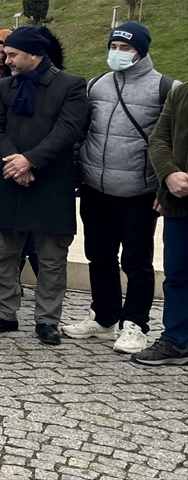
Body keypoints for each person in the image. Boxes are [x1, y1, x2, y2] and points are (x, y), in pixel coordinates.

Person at [65, 23, 180, 353]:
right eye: (114, 44)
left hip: (139, 191)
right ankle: (104, 317)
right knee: (98, 255)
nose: (117, 51)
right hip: (96, 188)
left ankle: (135, 324)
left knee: (137, 260)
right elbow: (86, 131)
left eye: (125, 47)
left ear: (141, 50)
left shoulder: (164, 88)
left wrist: (164, 186)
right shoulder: (97, 84)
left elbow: (173, 141)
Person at [0, 26, 89, 346]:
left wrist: (31, 161)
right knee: (2, 253)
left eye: (12, 54)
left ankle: (47, 320)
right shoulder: (2, 87)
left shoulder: (70, 85)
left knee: (52, 257)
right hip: (9, 179)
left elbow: (67, 131)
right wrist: (14, 162)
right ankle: (4, 313)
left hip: (50, 182)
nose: (5, 58)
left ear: (34, 54)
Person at [134, 81, 188, 365]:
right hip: (180, 204)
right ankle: (176, 340)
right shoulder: (180, 93)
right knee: (178, 276)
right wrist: (168, 175)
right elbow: (159, 139)